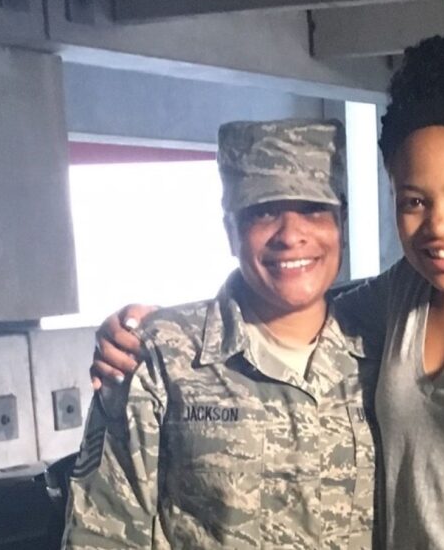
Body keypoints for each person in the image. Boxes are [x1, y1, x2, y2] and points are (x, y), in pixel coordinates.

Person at [94, 36, 444, 549]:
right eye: (414, 200)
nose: (439, 224)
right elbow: (288, 302)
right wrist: (152, 329)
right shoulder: (396, 302)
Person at [63, 119, 380, 549]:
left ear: (341, 224)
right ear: (231, 231)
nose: (291, 235)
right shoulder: (161, 356)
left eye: (311, 209)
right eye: (263, 211)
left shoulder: (384, 350)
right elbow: (102, 533)